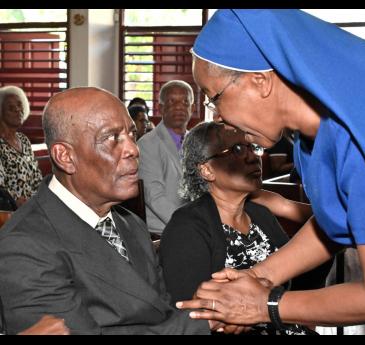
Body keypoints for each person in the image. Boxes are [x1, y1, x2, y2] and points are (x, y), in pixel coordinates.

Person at [175, 10, 365, 335]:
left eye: (215, 99)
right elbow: (339, 221)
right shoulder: (313, 133)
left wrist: (264, 305)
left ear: (260, 81)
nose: (219, 118)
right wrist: (257, 277)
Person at [0, 87, 210, 335]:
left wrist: (204, 310)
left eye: (131, 134)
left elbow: (161, 312)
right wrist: (203, 322)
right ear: (65, 156)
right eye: (112, 138)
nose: (133, 149)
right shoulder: (25, 244)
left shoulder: (129, 222)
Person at [160, 121, 321, 335]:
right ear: (207, 170)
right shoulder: (187, 227)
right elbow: (192, 318)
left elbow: (299, 273)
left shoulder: (260, 215)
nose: (253, 157)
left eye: (252, 147)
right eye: (236, 150)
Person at [138, 80, 195, 236]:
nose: (179, 107)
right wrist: (189, 225)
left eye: (185, 102)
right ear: (160, 108)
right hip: (163, 231)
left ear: (192, 108)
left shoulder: (196, 142)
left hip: (194, 226)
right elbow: (154, 196)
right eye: (171, 101)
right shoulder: (147, 144)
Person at [0, 86, 42, 207]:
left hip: (34, 206)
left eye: (19, 105)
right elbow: (1, 187)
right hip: (11, 210)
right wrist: (14, 202)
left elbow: (36, 177)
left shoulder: (24, 140)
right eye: (11, 108)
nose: (18, 110)